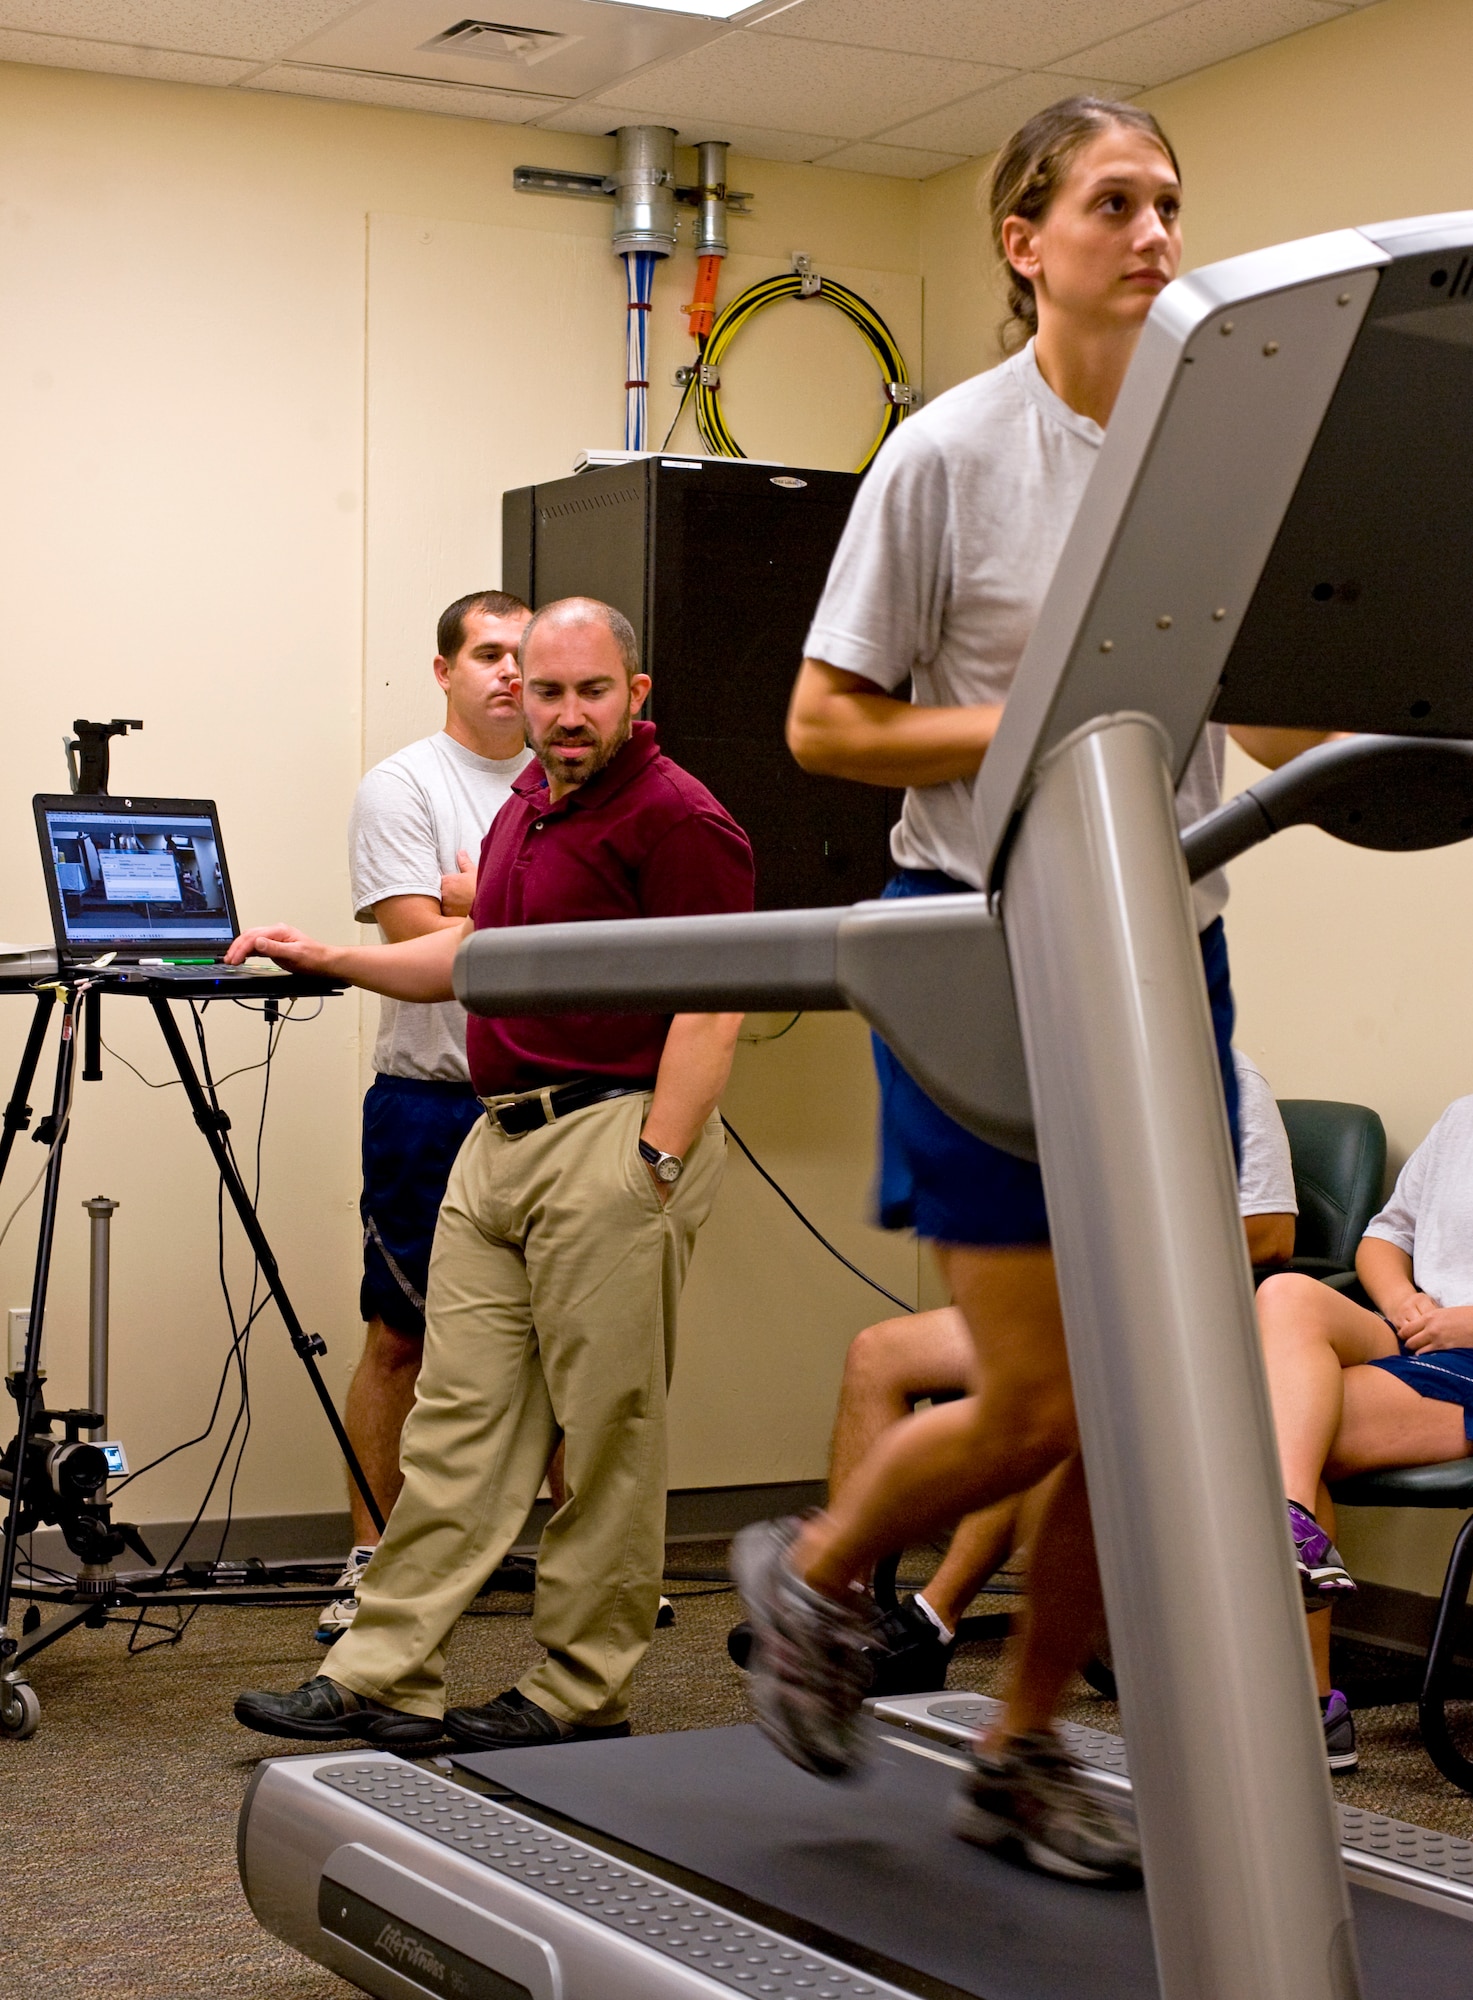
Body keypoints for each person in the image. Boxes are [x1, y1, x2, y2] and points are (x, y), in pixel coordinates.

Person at [732, 96, 1329, 1888]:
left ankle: (1018, 1743)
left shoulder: (1209, 452)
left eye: (1168, 205)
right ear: (1025, 240)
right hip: (979, 947)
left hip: (1170, 943)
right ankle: (820, 1576)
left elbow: (1275, 724)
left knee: (1147, 1404)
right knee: (1039, 1401)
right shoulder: (944, 456)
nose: (1152, 236)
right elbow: (822, 725)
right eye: (1113, 204)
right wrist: (1046, 722)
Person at [230, 597, 754, 1749]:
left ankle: (577, 1689)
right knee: (456, 1424)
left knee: (606, 1427)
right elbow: (476, 953)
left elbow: (717, 997)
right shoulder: (530, 800)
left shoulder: (680, 819)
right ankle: (384, 1668)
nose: (564, 713)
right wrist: (331, 956)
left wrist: (656, 1160)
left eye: (589, 690)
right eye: (545, 689)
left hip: (611, 1136)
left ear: (637, 693)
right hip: (497, 1135)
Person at [729, 1049, 1299, 1698]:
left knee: (1043, 1391)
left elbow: (1271, 1233)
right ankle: (836, 1613)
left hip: (1169, 1318)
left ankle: (928, 1622)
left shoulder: (1224, 1076)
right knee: (878, 1351)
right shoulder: (1066, 1081)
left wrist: (1117, 1252)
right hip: (1068, 1304)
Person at [318, 588, 535, 1645]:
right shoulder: (403, 785)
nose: (510, 673)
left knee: (561, 1339)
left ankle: (546, 1548)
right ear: (445, 668)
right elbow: (419, 947)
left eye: (525, 656)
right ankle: (372, 1552)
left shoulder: (570, 781)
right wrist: (505, 906)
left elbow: (617, 918)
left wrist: (474, 895)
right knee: (401, 1336)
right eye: (489, 653)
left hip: (552, 1098)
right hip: (430, 1100)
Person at [1256, 1091, 1473, 1776]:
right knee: (1284, 1295)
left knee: (1272, 1425)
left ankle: (1313, 1708)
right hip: (1413, 1336)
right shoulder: (1462, 1116)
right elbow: (1385, 1237)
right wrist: (1402, 1301)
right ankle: (1296, 1521)